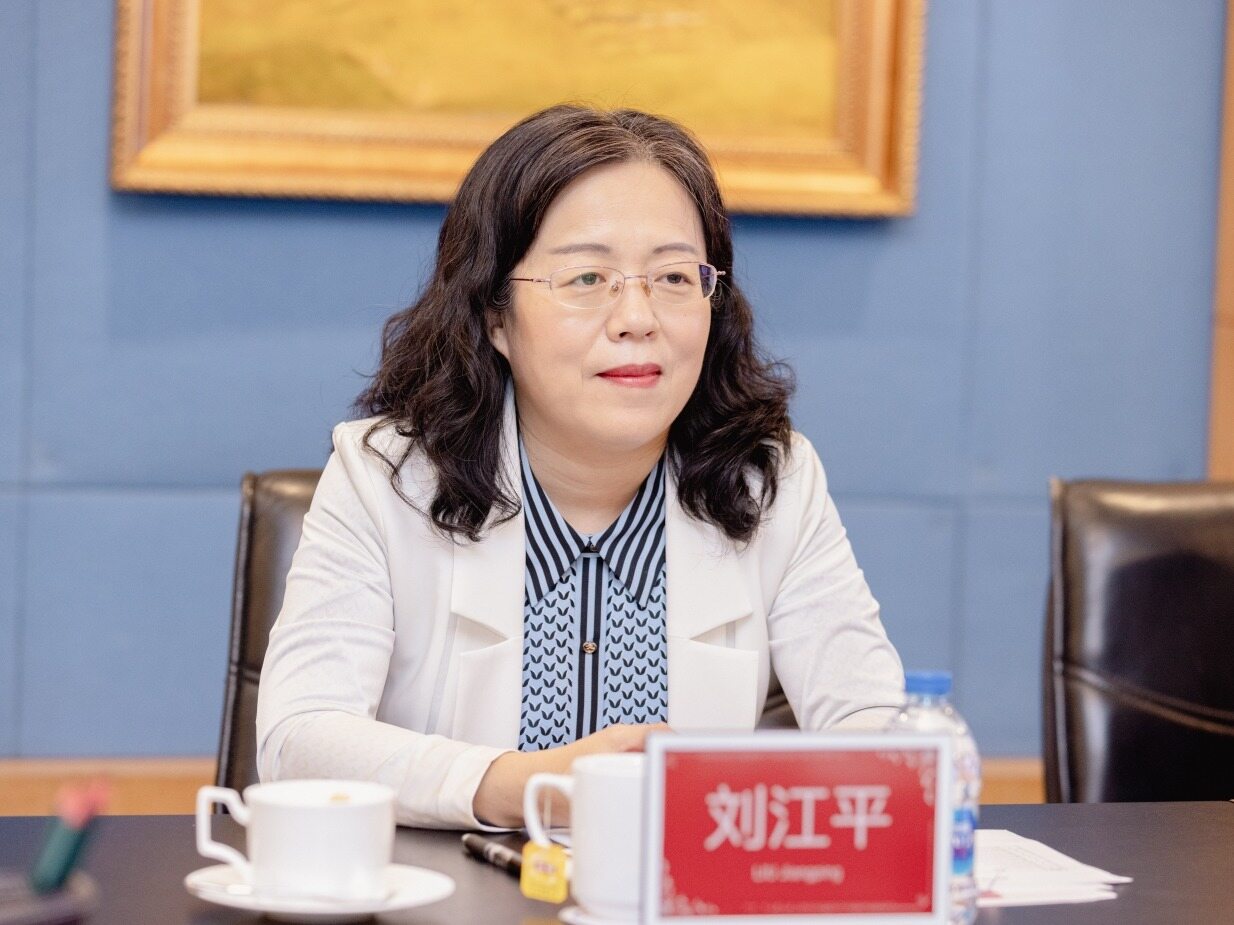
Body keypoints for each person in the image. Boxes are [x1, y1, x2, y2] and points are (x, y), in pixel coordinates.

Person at [256, 105, 903, 830]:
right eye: (588, 277)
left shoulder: (768, 478)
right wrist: (523, 785)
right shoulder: (387, 477)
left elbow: (875, 728)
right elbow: (298, 738)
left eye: (673, 277)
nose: (637, 318)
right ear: (495, 315)